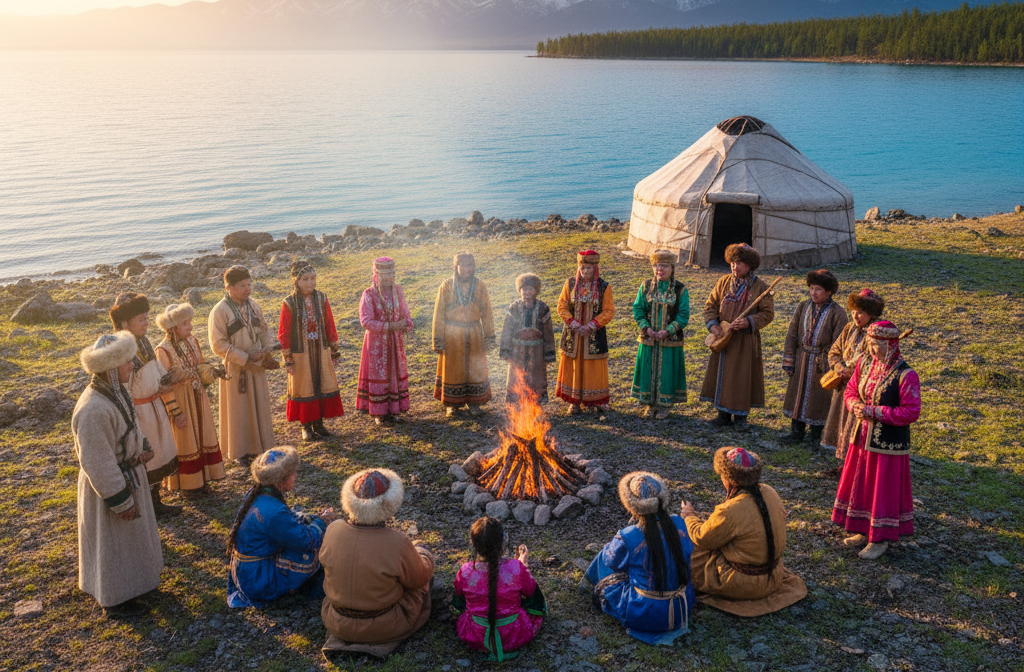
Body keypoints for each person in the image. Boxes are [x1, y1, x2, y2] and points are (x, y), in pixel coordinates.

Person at [72, 332, 163, 614]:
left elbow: (130, 424)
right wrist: (120, 499)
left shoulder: (117, 391)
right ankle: (115, 598)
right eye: (126, 362)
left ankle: (137, 584)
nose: (132, 365)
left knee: (133, 538)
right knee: (113, 543)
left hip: (129, 473)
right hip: (110, 486)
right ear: (110, 367)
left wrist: (142, 446)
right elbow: (97, 461)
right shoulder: (93, 410)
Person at [320, 469, 435, 655]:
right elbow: (418, 579)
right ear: (388, 503)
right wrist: (424, 554)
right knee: (421, 582)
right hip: (385, 625)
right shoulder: (397, 541)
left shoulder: (333, 530)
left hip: (336, 621)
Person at [681, 447, 807, 616]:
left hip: (743, 584)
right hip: (774, 577)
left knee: (689, 548)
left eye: (722, 476)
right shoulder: (770, 492)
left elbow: (702, 538)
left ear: (729, 478)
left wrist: (690, 516)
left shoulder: (731, 509)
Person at [832, 321, 920, 560]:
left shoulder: (906, 374)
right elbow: (851, 390)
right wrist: (855, 405)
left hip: (888, 445)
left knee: (881, 488)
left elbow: (911, 411)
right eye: (870, 344)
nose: (872, 349)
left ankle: (880, 537)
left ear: (891, 345)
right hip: (861, 437)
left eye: (877, 345)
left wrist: (875, 412)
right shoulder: (864, 363)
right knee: (862, 483)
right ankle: (862, 529)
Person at [584, 472, 695, 645]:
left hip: (645, 613)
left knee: (603, 559)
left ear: (632, 506)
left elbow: (610, 562)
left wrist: (616, 543)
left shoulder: (628, 535)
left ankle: (587, 587)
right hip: (682, 607)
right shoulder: (680, 523)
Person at [226, 446, 334, 608]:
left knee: (305, 524)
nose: (295, 476)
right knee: (313, 548)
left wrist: (314, 519)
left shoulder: (258, 494)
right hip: (258, 581)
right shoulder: (274, 510)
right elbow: (305, 540)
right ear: (280, 479)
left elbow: (286, 525)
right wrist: (322, 522)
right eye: (293, 473)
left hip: (245, 571)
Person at [110, 292, 181, 517]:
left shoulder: (144, 341)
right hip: (139, 410)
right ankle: (147, 504)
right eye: (141, 319)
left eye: (147, 318)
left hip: (154, 404)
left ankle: (156, 501)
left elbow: (155, 369)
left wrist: (166, 381)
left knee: (159, 451)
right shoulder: (121, 349)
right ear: (125, 323)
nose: (146, 323)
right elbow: (123, 386)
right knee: (145, 456)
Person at [700, 243, 774, 430]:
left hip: (744, 341)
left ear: (749, 265)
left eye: (740, 263)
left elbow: (767, 313)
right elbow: (710, 306)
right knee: (722, 375)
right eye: (733, 262)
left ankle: (741, 417)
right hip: (723, 338)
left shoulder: (761, 288)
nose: (735, 267)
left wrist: (749, 321)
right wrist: (714, 326)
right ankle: (722, 415)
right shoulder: (723, 282)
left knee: (741, 377)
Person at [154, 303, 227, 493]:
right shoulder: (163, 350)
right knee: (186, 441)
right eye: (185, 323)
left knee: (203, 436)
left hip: (197, 396)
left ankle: (203, 479)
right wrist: (175, 411)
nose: (190, 327)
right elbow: (163, 385)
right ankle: (188, 486)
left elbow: (200, 365)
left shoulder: (192, 340)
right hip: (181, 401)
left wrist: (213, 372)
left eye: (190, 322)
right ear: (173, 326)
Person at [209, 265, 277, 464]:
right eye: (242, 286)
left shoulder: (253, 305)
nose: (247, 289)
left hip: (257, 365)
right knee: (238, 410)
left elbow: (263, 329)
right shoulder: (219, 311)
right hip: (236, 368)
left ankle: (260, 446)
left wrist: (267, 349)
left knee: (258, 404)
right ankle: (240, 451)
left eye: (249, 284)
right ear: (228, 287)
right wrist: (245, 358)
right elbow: (218, 344)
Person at [454, 517, 546, 661]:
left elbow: (458, 596)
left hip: (474, 635)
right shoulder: (516, 568)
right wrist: (523, 566)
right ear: (502, 542)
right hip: (514, 634)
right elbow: (531, 593)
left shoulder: (465, 571)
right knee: (536, 601)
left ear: (474, 545)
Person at [780, 270, 848, 444]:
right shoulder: (803, 307)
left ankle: (816, 436)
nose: (814, 293)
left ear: (828, 292)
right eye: (811, 288)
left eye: (818, 289)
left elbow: (840, 342)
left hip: (822, 362)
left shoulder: (838, 313)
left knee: (819, 398)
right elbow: (792, 334)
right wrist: (789, 359)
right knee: (797, 394)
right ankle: (796, 432)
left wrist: (833, 365)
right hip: (801, 357)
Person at [279, 261, 343, 441]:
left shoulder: (322, 298)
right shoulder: (289, 303)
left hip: (320, 348)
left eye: (313, 278)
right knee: (304, 386)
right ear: (296, 281)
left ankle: (319, 424)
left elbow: (330, 323)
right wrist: (288, 358)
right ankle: (306, 426)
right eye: (305, 279)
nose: (310, 282)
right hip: (301, 353)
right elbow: (284, 332)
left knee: (321, 382)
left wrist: (333, 349)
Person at [821, 289, 885, 456]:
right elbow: (834, 351)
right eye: (854, 312)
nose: (856, 317)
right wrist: (839, 368)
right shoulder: (849, 328)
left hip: (860, 389)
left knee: (854, 424)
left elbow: (877, 362)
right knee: (840, 422)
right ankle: (842, 457)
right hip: (842, 384)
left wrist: (853, 373)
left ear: (871, 314)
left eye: (861, 313)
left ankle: (853, 458)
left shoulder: (877, 334)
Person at [432, 251, 495, 418]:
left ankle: (475, 403)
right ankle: (452, 404)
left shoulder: (480, 286)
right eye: (463, 265)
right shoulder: (446, 286)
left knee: (475, 368)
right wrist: (438, 339)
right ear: (456, 266)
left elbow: (487, 312)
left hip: (474, 333)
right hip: (452, 334)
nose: (467, 269)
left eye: (470, 265)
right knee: (453, 368)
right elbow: (438, 314)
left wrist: (489, 336)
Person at [630, 250, 690, 420]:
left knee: (667, 372)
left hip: (670, 340)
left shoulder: (680, 289)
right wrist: (646, 328)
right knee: (648, 368)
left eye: (664, 266)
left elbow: (683, 315)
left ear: (672, 268)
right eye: (657, 266)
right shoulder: (646, 285)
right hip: (648, 338)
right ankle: (649, 403)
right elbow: (638, 308)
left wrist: (668, 330)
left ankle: (665, 405)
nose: (660, 269)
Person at [556, 250, 615, 415]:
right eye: (582, 267)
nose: (585, 271)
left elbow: (608, 311)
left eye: (589, 268)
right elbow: (562, 306)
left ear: (595, 268)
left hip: (594, 335)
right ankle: (574, 402)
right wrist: (573, 323)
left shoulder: (604, 287)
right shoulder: (570, 284)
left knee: (593, 367)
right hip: (573, 335)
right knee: (574, 365)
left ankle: (595, 400)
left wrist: (591, 326)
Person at [356, 257, 414, 425]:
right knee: (379, 374)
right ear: (376, 275)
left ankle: (394, 409)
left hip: (395, 342)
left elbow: (405, 311)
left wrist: (407, 323)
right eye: (384, 275)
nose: (389, 278)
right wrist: (392, 325)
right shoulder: (369, 294)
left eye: (391, 274)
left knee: (394, 373)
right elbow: (365, 321)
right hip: (376, 344)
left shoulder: (398, 290)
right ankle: (379, 413)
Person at [498, 273, 556, 405]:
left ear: (536, 291)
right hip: (517, 350)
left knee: (536, 375)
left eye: (530, 289)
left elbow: (548, 331)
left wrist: (549, 352)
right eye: (524, 289)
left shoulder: (543, 308)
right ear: (519, 290)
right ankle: (517, 402)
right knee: (517, 374)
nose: (527, 292)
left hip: (537, 350)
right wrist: (506, 350)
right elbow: (507, 329)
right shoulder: (514, 307)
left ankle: (535, 403)